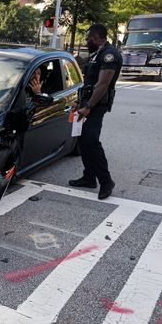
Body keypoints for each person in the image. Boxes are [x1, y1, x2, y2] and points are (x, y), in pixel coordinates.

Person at [69, 23, 122, 200]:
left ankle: (106, 182)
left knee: (91, 142)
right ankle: (89, 177)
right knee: (84, 141)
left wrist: (88, 107)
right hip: (87, 101)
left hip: (96, 105)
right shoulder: (96, 55)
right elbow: (88, 82)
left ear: (99, 36)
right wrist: (79, 101)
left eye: (89, 38)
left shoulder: (109, 55)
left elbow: (102, 85)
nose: (87, 40)